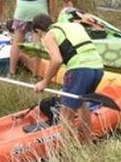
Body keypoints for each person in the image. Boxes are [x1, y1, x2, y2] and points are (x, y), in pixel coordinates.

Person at [29, 12, 104, 144]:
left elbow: (57, 60)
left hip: (80, 69)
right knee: (82, 105)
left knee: (66, 114)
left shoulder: (48, 35)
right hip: (98, 67)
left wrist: (44, 82)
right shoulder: (71, 25)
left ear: (38, 30)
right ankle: (87, 144)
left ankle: (68, 152)